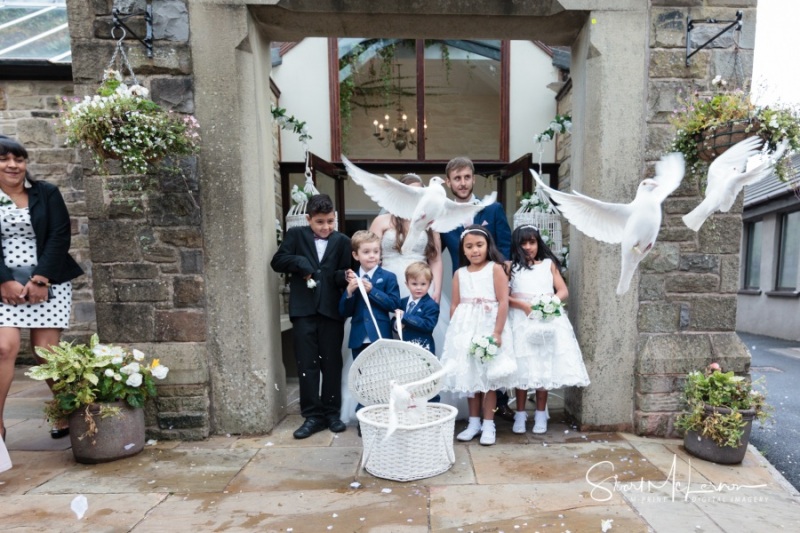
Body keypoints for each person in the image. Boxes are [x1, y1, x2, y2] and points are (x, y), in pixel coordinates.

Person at [0, 136, 84, 443]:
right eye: (4, 159)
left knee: (46, 354)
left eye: (19, 159)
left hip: (48, 282)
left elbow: (60, 236)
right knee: (3, 348)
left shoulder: (46, 193)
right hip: (3, 283)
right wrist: (4, 280)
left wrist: (40, 279)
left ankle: (70, 412)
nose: (13, 165)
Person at [271, 194, 352, 439]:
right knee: (307, 363)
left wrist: (344, 277)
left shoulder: (343, 241)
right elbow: (278, 261)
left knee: (331, 363)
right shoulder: (296, 236)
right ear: (308, 219)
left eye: (330, 221)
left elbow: (342, 272)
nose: (326, 227)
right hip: (303, 310)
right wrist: (301, 263)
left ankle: (331, 413)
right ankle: (312, 415)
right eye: (320, 222)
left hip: (330, 311)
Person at [440, 156, 514, 420]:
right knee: (469, 349)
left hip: (490, 287)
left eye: (467, 177)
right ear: (448, 182)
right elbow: (435, 251)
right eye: (457, 178)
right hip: (463, 285)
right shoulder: (443, 215)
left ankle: (499, 404)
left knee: (494, 345)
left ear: (473, 178)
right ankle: (474, 414)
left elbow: (504, 244)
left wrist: (503, 274)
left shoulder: (491, 209)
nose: (462, 183)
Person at [507, 225, 589, 434]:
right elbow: (504, 296)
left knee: (543, 364)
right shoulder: (510, 267)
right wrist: (523, 305)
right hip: (521, 318)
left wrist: (548, 302)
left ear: (538, 244)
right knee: (523, 365)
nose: (527, 247)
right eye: (523, 243)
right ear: (516, 245)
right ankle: (520, 413)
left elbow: (562, 290)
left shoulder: (548, 265)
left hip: (546, 319)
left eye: (532, 242)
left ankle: (541, 414)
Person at [440, 225, 512, 446]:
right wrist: (456, 334)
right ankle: (473, 423)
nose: (475, 250)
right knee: (471, 378)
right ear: (463, 250)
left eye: (479, 245)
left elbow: (503, 301)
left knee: (488, 379)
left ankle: (489, 424)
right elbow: (454, 304)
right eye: (469, 246)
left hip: (489, 326)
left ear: (488, 245)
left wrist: (497, 332)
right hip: (467, 329)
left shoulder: (495, 269)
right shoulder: (459, 274)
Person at [368, 173, 444, 303]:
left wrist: (436, 289)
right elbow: (369, 255)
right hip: (387, 286)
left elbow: (436, 260)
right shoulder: (381, 221)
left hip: (421, 286)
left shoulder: (431, 223)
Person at [339, 230, 402, 363]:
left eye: (376, 251)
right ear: (356, 255)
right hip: (358, 337)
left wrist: (372, 291)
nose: (372, 256)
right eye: (366, 252)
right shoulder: (353, 278)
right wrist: (349, 293)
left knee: (382, 374)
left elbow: (394, 304)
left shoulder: (388, 277)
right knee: (362, 376)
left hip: (381, 334)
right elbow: (344, 311)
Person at [394, 261, 439, 354]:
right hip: (404, 350)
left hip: (423, 349)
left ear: (429, 284)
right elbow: (394, 320)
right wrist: (396, 324)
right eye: (414, 284)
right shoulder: (402, 302)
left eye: (423, 284)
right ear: (407, 284)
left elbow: (428, 325)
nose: (419, 288)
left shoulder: (431, 305)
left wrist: (405, 317)